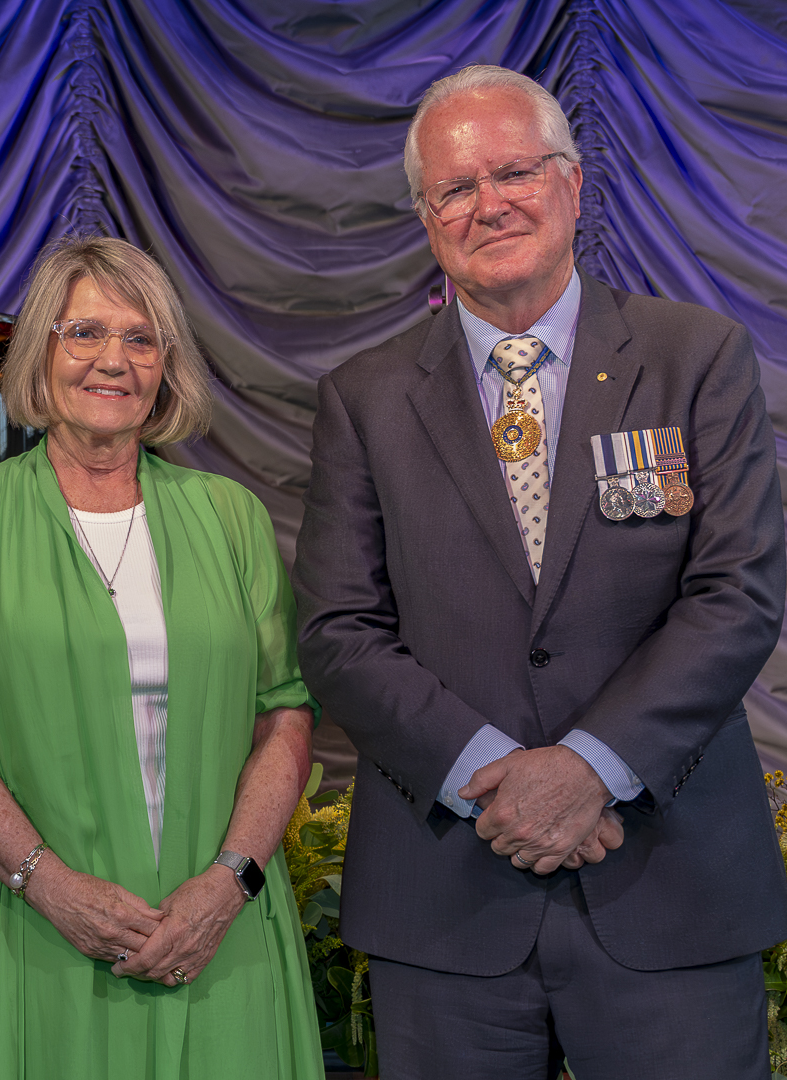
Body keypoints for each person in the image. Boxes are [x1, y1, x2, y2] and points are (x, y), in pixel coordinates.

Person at [294, 65, 787, 1079]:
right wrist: (496, 780)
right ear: (426, 217)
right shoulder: (364, 397)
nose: (490, 204)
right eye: (456, 187)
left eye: (514, 171)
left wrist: (588, 768)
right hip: (448, 898)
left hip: (669, 883)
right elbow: (339, 632)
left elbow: (736, 593)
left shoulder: (696, 356)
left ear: (571, 181)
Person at [0, 235, 323, 1078]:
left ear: (168, 364)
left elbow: (285, 716)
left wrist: (229, 882)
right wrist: (48, 884)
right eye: (83, 332)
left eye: (141, 338)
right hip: (29, 923)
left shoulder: (230, 515)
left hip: (215, 929)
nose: (113, 360)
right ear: (39, 351)